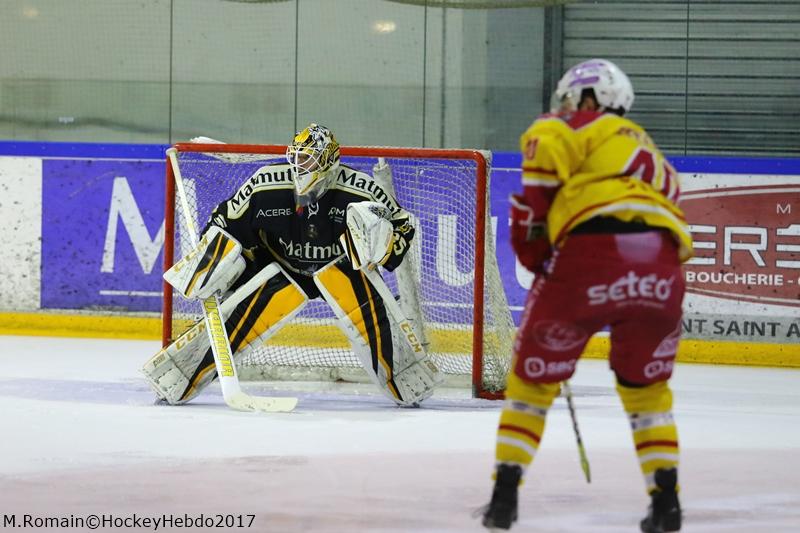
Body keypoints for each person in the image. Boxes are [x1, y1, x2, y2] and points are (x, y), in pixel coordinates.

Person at [481, 59, 693, 532]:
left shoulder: (566, 127)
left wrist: (538, 254)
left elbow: (535, 199)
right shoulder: (653, 154)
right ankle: (666, 504)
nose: (566, 107)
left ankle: (503, 499)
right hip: (662, 270)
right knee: (648, 392)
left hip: (589, 256)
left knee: (532, 385)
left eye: (572, 98)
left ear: (591, 97)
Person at [141, 123, 441, 407]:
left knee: (397, 368)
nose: (300, 166)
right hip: (279, 268)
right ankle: (180, 376)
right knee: (234, 318)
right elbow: (225, 220)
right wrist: (211, 257)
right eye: (296, 157)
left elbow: (404, 225)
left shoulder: (361, 190)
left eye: (308, 160)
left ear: (329, 162)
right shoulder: (265, 183)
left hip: (341, 270)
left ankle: (403, 376)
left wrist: (384, 244)